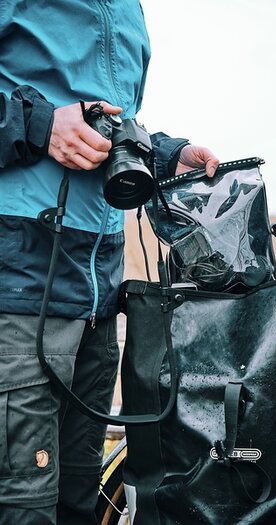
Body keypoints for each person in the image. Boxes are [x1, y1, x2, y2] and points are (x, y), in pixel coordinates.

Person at [0, 2, 219, 525]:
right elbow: (51, 119)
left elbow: (108, 121)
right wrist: (39, 123)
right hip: (20, 280)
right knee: (22, 504)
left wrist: (163, 153)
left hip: (100, 288)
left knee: (79, 499)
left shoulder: (127, 7)